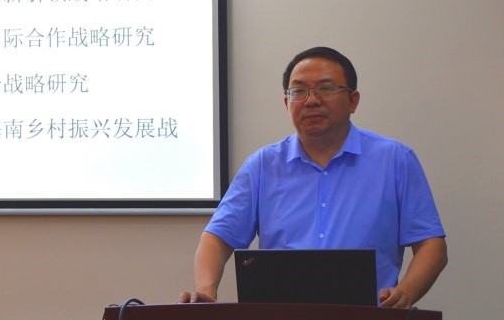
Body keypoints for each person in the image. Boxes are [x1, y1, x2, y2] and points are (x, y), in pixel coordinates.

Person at [179, 47, 447, 309]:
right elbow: (217, 238)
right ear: (287, 103)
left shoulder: (395, 160)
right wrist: (206, 289)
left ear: (353, 101)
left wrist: (405, 292)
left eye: (326, 88)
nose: (311, 100)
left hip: (367, 315)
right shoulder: (262, 165)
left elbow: (431, 245)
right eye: (298, 91)